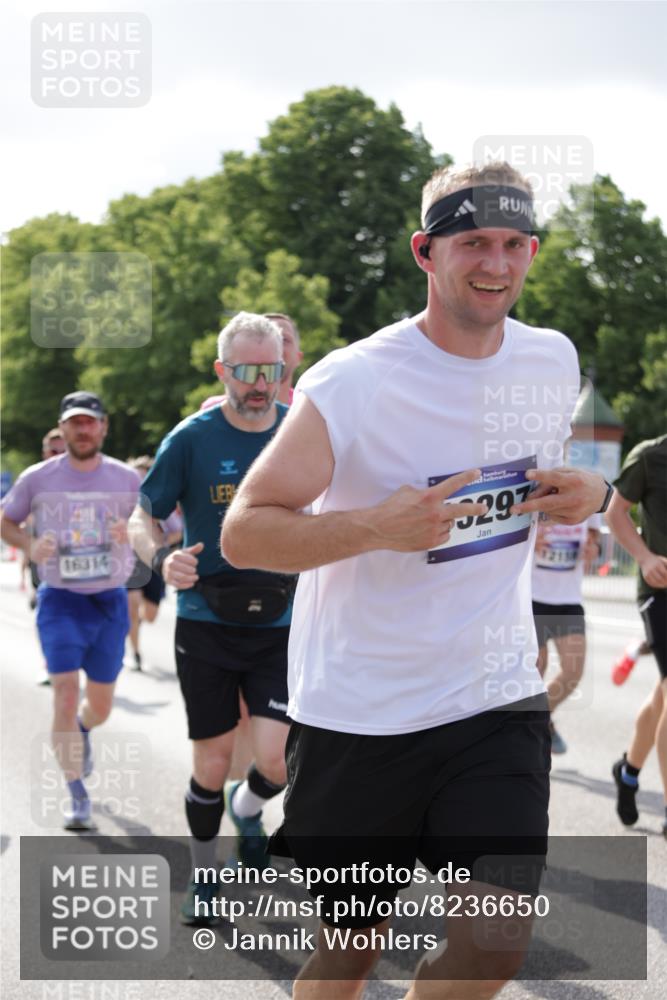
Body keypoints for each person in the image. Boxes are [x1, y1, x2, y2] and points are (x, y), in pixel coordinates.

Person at [222, 162, 610, 1000]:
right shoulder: (354, 379)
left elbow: (533, 486)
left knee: (495, 946)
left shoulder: (550, 361)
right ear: (424, 252)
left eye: (514, 244)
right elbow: (245, 530)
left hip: (491, 698)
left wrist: (590, 494)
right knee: (351, 953)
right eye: (473, 242)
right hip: (360, 713)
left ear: (532, 251)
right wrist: (373, 527)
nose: (496, 264)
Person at [128, 311, 294, 926]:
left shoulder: (300, 433)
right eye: (247, 370)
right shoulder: (192, 438)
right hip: (207, 624)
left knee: (278, 761)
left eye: (271, 370)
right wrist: (161, 558)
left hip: (283, 622)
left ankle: (248, 809)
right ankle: (205, 877)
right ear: (223, 370)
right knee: (212, 763)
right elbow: (141, 515)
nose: (259, 383)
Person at [0, 392, 140, 830]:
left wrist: (133, 533)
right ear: (62, 428)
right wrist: (27, 544)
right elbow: (6, 520)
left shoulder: (126, 479)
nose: (82, 430)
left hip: (110, 600)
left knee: (99, 707)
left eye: (89, 422)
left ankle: (84, 728)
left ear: (103, 427)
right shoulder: (37, 478)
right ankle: (76, 793)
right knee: (63, 690)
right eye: (73, 423)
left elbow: (162, 529)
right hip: (60, 599)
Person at [606, 433, 667, 837]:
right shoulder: (650, 457)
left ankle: (628, 771)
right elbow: (615, 513)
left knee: (664, 692)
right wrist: (644, 558)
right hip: (660, 592)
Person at [532, 514, 601, 752]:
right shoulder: (532, 481)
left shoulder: (585, 481)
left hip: (568, 599)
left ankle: (537, 719)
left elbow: (594, 537)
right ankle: (530, 728)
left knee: (573, 673)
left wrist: (593, 548)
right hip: (531, 597)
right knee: (533, 674)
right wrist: (529, 542)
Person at [124, 456, 183, 672]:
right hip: (129, 563)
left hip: (153, 562)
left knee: (149, 615)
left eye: (143, 477)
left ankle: (135, 624)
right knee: (132, 605)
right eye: (135, 476)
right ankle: (136, 653)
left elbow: (178, 531)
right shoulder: (122, 504)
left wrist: (157, 543)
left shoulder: (156, 504)